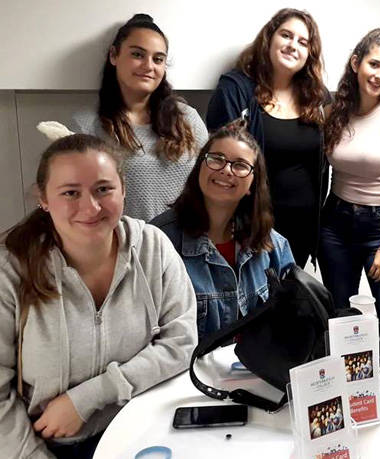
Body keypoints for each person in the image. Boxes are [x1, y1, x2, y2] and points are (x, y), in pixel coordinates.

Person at [0, 133, 197, 459]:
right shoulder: (10, 270)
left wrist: (91, 396)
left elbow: (181, 342)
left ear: (124, 189)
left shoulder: (153, 248)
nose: (91, 207)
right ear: (44, 199)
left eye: (103, 189)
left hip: (144, 433)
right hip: (42, 447)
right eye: (70, 193)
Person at [206, 8, 329, 267]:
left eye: (303, 42)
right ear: (269, 38)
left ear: (310, 53)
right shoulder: (236, 89)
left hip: (301, 231)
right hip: (249, 227)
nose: (293, 45)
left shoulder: (317, 98)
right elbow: (218, 162)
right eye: (286, 35)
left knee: (290, 292)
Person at [152, 121, 295, 340]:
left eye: (240, 165)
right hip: (188, 363)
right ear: (200, 166)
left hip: (255, 361)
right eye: (217, 159)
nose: (226, 170)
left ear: (253, 183)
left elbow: (292, 320)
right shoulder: (158, 241)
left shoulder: (272, 244)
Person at [319, 28, 380, 320]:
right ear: (356, 63)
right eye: (374, 64)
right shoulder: (333, 112)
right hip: (336, 225)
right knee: (340, 320)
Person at [74, 13, 208, 221]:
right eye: (137, 55)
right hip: (127, 240)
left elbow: (210, 184)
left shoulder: (188, 119)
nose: (149, 66)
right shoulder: (87, 126)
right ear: (114, 55)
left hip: (189, 239)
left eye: (158, 59)